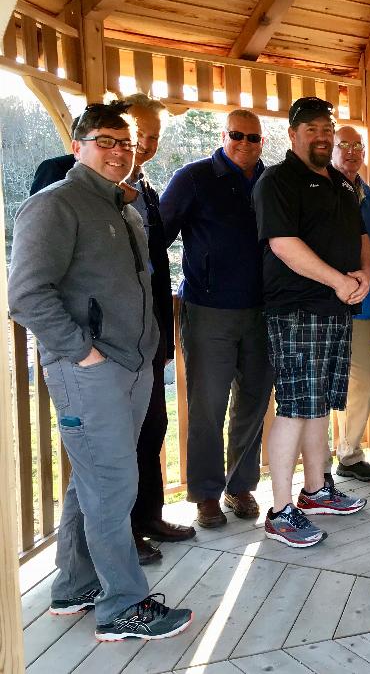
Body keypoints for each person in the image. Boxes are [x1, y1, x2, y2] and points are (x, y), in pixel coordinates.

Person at [9, 101, 193, 641]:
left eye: (125, 143)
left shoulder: (125, 207)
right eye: (105, 141)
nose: (117, 152)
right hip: (89, 371)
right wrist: (81, 352)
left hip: (131, 367)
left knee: (91, 481)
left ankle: (73, 586)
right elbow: (25, 295)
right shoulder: (55, 206)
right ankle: (122, 607)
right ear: (78, 146)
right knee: (114, 485)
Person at [253, 96, 369, 548]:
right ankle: (281, 511)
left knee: (318, 402)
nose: (321, 136)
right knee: (295, 407)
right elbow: (282, 244)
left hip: (336, 309)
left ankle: (316, 491)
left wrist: (363, 275)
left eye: (327, 128)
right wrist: (339, 281)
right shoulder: (276, 181)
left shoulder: (341, 182)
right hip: (296, 310)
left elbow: (361, 236)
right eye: (311, 129)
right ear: (293, 133)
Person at [160, 109, 274, 529]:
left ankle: (239, 485)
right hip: (208, 310)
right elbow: (159, 237)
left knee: (254, 401)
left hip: (263, 311)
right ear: (223, 135)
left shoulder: (272, 181)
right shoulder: (193, 178)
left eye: (254, 137)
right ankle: (206, 493)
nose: (246, 143)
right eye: (238, 135)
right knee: (207, 405)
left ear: (263, 141)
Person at [120, 93, 196, 562]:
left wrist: (165, 336)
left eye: (153, 137)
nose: (145, 145)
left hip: (148, 334)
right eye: (138, 135)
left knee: (152, 426)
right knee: (117, 439)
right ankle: (119, 534)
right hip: (104, 343)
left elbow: (156, 263)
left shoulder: (147, 189)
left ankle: (147, 516)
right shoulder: (65, 178)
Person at [327, 125, 370, 482]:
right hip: (327, 303)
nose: (351, 151)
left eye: (357, 146)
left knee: (361, 382)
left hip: (365, 306)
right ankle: (339, 456)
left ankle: (347, 454)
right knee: (337, 382)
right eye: (343, 145)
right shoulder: (320, 190)